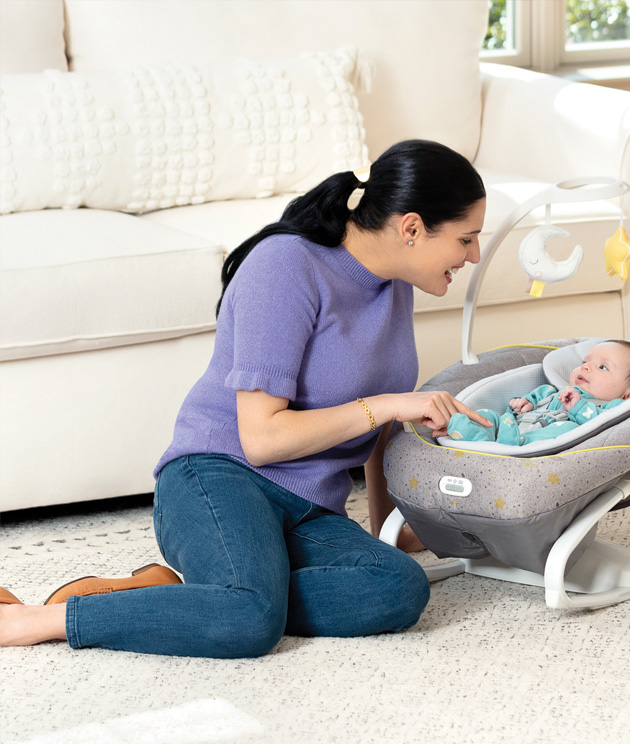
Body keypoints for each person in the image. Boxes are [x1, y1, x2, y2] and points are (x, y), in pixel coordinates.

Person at [0, 139, 491, 657]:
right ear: (411, 228)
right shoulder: (284, 266)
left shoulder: (392, 284)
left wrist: (388, 527)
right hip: (218, 475)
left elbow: (375, 429)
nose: (474, 255)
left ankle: (193, 599)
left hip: (308, 508)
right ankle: (37, 620)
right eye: (467, 238)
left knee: (398, 588)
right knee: (250, 621)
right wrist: (391, 404)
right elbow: (261, 439)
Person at [446, 340, 630, 445]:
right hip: (515, 424)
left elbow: (603, 424)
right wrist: (524, 403)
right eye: (585, 362)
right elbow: (534, 398)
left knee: (564, 428)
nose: (586, 367)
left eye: (603, 367)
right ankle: (468, 432)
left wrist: (578, 407)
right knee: (486, 416)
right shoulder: (553, 391)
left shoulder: (613, 407)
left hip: (535, 440)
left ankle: (509, 443)